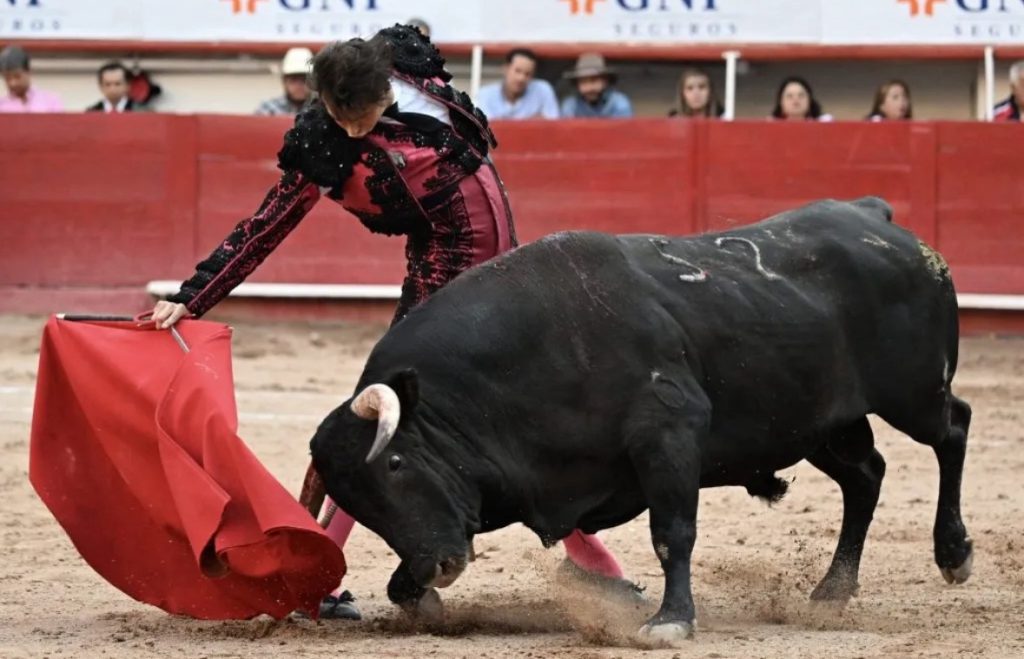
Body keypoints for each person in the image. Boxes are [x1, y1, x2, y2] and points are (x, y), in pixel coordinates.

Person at [150, 24, 632, 621]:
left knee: (527, 411)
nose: (355, 128)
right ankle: (315, 567)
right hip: (443, 272)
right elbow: (265, 226)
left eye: (367, 113)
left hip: (508, 266)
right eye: (343, 115)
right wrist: (195, 295)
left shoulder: (406, 61)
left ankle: (596, 565)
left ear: (386, 86)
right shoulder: (324, 142)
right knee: (379, 410)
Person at [476, 48, 559, 120]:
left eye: (528, 74)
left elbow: (553, 126)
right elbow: (486, 130)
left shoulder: (543, 90)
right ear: (505, 69)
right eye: (517, 71)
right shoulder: (485, 94)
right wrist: (531, 121)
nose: (521, 78)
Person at [560, 53, 633, 119]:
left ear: (605, 81)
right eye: (583, 82)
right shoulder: (571, 105)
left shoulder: (618, 103)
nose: (589, 88)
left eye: (594, 81)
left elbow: (623, 132)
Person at [0, 45, 62, 113]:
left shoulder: (50, 102)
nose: (13, 83)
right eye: (7, 78)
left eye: (17, 76)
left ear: (28, 72)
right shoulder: (2, 106)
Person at [255, 47, 314, 116]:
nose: (299, 86)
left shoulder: (323, 111)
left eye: (304, 80)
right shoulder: (267, 110)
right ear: (284, 82)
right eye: (294, 80)